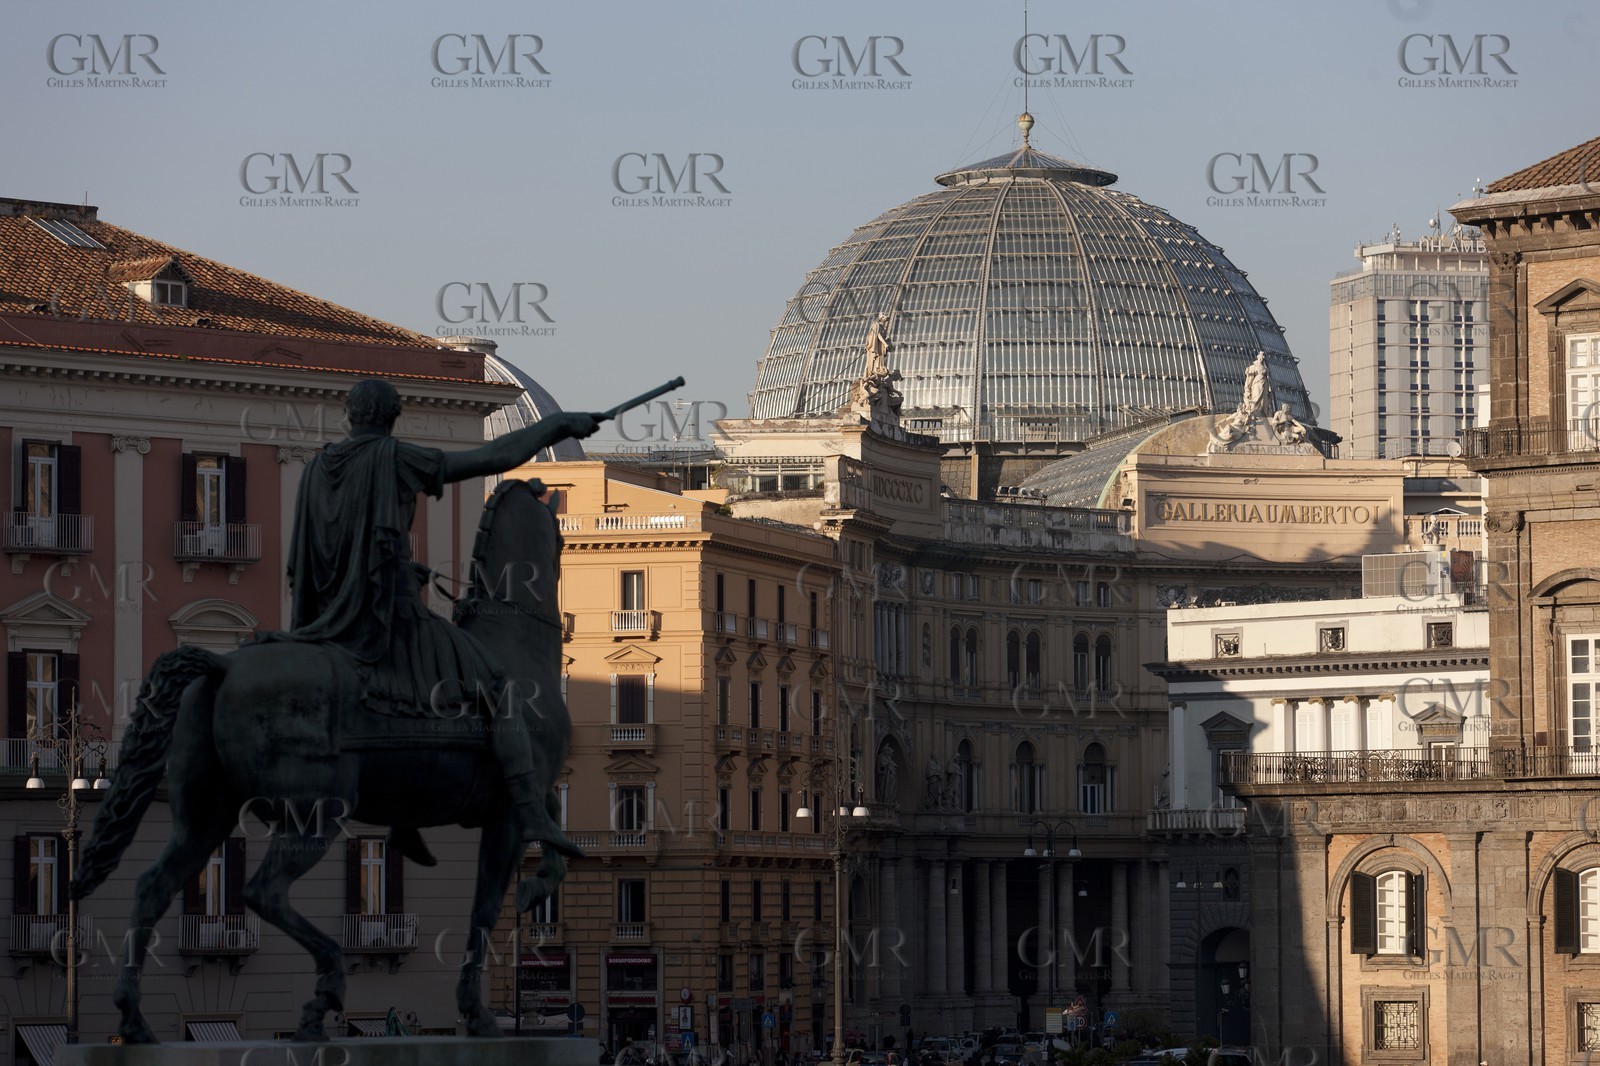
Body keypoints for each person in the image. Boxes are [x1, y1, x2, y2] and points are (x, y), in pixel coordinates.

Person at [278, 377, 601, 865]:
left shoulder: (319, 466)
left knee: (411, 702)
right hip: (384, 617)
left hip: (324, 616)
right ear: (391, 419)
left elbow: (327, 551)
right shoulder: (392, 457)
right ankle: (532, 811)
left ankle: (404, 821)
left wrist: (404, 570)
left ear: (349, 416)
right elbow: (489, 460)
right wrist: (556, 426)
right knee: (497, 684)